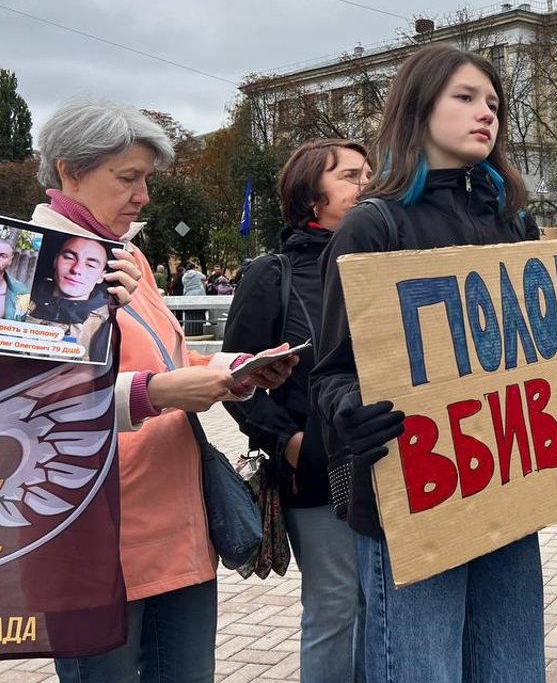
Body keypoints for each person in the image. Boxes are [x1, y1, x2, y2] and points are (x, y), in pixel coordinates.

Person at [32, 96, 295, 683]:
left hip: (176, 525)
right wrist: (159, 393)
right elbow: (28, 407)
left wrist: (238, 368)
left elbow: (172, 358)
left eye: (147, 178)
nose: (145, 195)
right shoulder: (24, 265)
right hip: (93, 537)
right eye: (128, 177)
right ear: (70, 171)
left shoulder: (128, 256)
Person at [309, 43, 544, 683]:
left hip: (507, 489)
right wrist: (350, 410)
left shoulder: (514, 227)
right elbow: (331, 369)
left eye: (493, 103)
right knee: (422, 671)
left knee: (513, 668)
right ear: (420, 109)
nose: (485, 114)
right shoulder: (372, 227)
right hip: (413, 496)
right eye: (465, 98)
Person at [222, 138, 371, 683]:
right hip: (318, 473)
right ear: (313, 197)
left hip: (394, 461)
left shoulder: (383, 261)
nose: (367, 185)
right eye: (352, 176)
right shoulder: (274, 274)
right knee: (336, 608)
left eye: (370, 174)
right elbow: (233, 382)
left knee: (386, 605)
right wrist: (290, 442)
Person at [27, 235, 113, 362]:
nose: (76, 269)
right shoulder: (19, 302)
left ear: (101, 276)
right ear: (55, 261)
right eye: (69, 258)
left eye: (90, 265)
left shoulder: (109, 323)